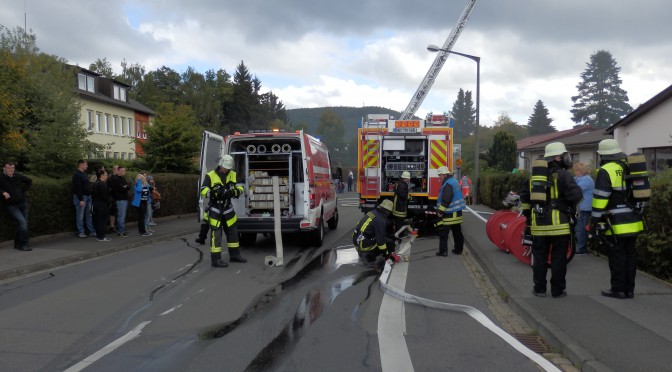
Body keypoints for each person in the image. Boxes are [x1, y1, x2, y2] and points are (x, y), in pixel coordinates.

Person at [519, 142, 582, 298]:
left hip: (539, 225)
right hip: (560, 226)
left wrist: (529, 218)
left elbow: (525, 200)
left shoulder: (533, 177)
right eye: (564, 155)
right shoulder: (564, 175)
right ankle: (558, 290)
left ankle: (539, 289)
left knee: (539, 257)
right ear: (557, 157)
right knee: (559, 259)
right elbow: (576, 196)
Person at [591, 139, 645, 299]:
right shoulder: (629, 166)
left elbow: (600, 198)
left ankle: (618, 290)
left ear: (603, 156)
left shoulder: (606, 170)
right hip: (633, 221)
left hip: (615, 223)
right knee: (630, 256)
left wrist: (594, 220)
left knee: (617, 257)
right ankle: (629, 290)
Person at [200, 155, 246, 267]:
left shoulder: (233, 174)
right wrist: (213, 193)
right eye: (225, 167)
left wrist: (235, 192)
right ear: (220, 164)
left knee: (233, 233)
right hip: (215, 207)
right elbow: (203, 190)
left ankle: (235, 256)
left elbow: (241, 187)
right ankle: (216, 260)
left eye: (228, 168)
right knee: (216, 234)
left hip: (228, 208)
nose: (226, 169)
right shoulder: (210, 175)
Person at [0, 161, 33, 251]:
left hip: (22, 203)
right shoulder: (1, 177)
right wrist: (3, 192)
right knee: (22, 223)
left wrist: (22, 191)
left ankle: (17, 244)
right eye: (8, 168)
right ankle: (24, 244)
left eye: (12, 168)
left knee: (23, 224)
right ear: (4, 168)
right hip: (11, 205)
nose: (11, 170)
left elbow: (29, 181)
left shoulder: (17, 176)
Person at [435, 166, 465, 256]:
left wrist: (440, 211)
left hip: (450, 212)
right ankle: (458, 250)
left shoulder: (448, 184)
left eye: (440, 175)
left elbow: (446, 199)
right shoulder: (454, 181)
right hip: (457, 211)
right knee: (457, 232)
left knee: (443, 233)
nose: (439, 177)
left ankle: (443, 251)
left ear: (444, 175)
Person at [573, 162, 594, 255]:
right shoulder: (580, 179)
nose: (575, 172)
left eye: (576, 170)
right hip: (581, 208)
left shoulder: (586, 180)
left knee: (581, 228)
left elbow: (575, 190)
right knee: (579, 228)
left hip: (585, 208)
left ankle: (582, 248)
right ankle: (581, 247)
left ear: (581, 171)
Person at [72, 159, 95, 238]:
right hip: (81, 197)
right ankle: (80, 232)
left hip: (88, 196)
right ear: (81, 165)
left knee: (89, 215)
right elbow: (77, 188)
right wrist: (81, 199)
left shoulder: (84, 174)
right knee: (80, 216)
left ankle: (91, 231)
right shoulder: (77, 175)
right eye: (86, 164)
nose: (87, 166)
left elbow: (87, 185)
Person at [109, 165, 131, 237]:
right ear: (118, 171)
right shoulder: (115, 179)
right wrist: (125, 187)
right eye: (122, 171)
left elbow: (128, 186)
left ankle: (123, 230)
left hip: (124, 199)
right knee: (121, 216)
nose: (124, 172)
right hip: (120, 199)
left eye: (124, 171)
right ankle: (121, 231)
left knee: (123, 216)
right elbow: (121, 188)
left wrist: (125, 186)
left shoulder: (122, 178)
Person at [92, 169, 112, 241]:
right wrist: (109, 202)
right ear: (102, 175)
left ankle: (99, 236)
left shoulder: (95, 183)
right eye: (106, 175)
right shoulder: (102, 184)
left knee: (98, 221)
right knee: (102, 221)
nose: (107, 176)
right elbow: (105, 196)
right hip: (102, 205)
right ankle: (102, 237)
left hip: (96, 204)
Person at [107, 165, 119, 233]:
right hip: (113, 197)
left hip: (118, 197)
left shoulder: (119, 177)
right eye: (118, 169)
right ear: (114, 170)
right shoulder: (110, 178)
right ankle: (112, 226)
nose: (119, 170)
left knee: (116, 212)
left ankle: (116, 226)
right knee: (112, 213)